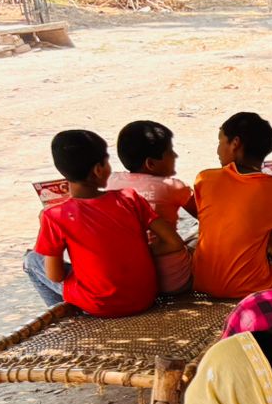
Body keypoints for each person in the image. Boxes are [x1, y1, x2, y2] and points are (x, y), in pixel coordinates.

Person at [26, 129, 185, 317]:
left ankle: (68, 318)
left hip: (101, 305)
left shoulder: (54, 216)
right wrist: (134, 252)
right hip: (144, 297)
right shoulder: (130, 198)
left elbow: (55, 276)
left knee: (31, 260)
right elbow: (173, 242)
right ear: (99, 169)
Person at [188, 112, 272, 299]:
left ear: (235, 143)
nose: (217, 149)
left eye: (220, 141)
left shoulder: (204, 178)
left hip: (202, 280)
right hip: (252, 285)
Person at [106, 119, 193, 294]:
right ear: (151, 163)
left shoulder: (112, 182)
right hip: (176, 282)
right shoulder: (172, 187)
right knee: (198, 235)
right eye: (170, 152)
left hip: (135, 280)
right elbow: (206, 216)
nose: (175, 156)